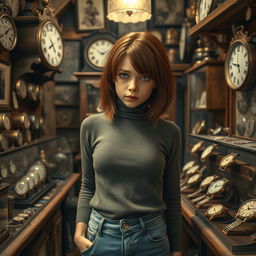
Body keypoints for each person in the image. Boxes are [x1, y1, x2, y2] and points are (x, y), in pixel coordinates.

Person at [74, 32, 182, 256]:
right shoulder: (91, 126)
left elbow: (172, 196)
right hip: (100, 236)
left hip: (151, 238)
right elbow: (87, 185)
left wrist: (178, 250)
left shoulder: (169, 132)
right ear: (112, 77)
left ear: (156, 82)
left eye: (144, 77)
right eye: (124, 75)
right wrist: (79, 231)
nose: (132, 86)